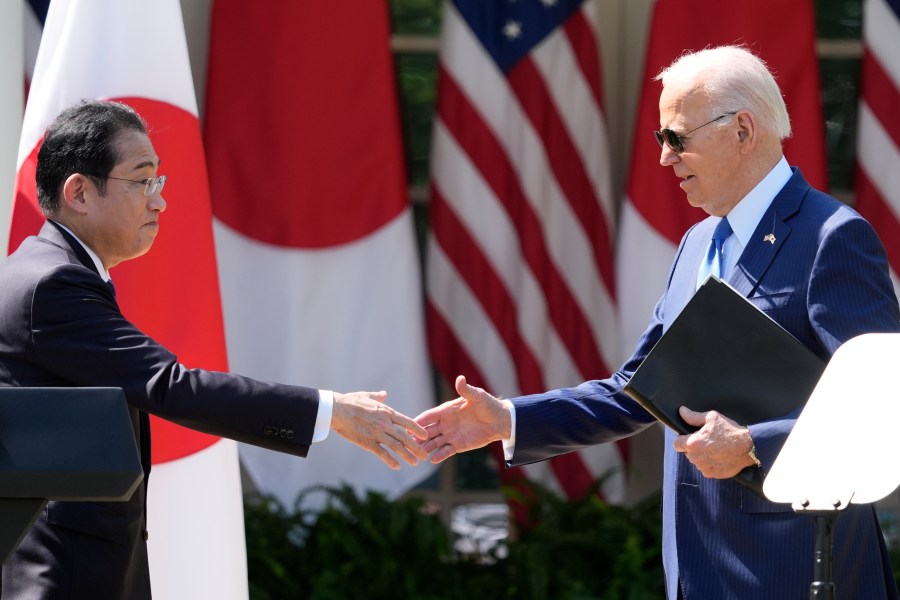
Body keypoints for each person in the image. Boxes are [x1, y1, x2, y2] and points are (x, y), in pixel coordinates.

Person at [416, 45, 900, 599]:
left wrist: (750, 444)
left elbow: (881, 406)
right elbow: (637, 390)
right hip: (696, 569)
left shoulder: (832, 237)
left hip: (798, 565)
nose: (666, 159)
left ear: (743, 129)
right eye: (660, 140)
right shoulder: (697, 243)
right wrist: (508, 419)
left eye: (677, 138)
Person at [0, 100, 428, 599]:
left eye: (159, 183)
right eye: (142, 181)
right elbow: (173, 387)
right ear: (79, 192)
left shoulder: (46, 271)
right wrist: (331, 411)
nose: (158, 201)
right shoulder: (53, 285)